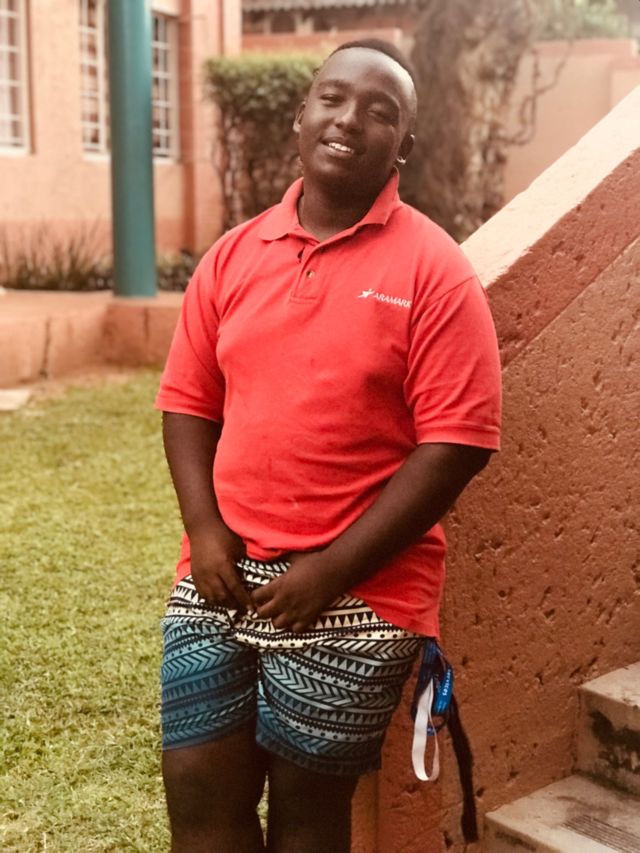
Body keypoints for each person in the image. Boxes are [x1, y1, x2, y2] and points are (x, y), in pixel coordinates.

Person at [155, 38, 501, 853]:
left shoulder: (434, 270)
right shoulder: (234, 255)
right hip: (222, 572)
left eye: (380, 111)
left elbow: (458, 442)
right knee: (197, 789)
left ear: (403, 144)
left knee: (308, 814)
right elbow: (187, 403)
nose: (350, 120)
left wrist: (332, 570)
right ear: (302, 115)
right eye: (334, 99)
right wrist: (205, 530)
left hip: (361, 589)